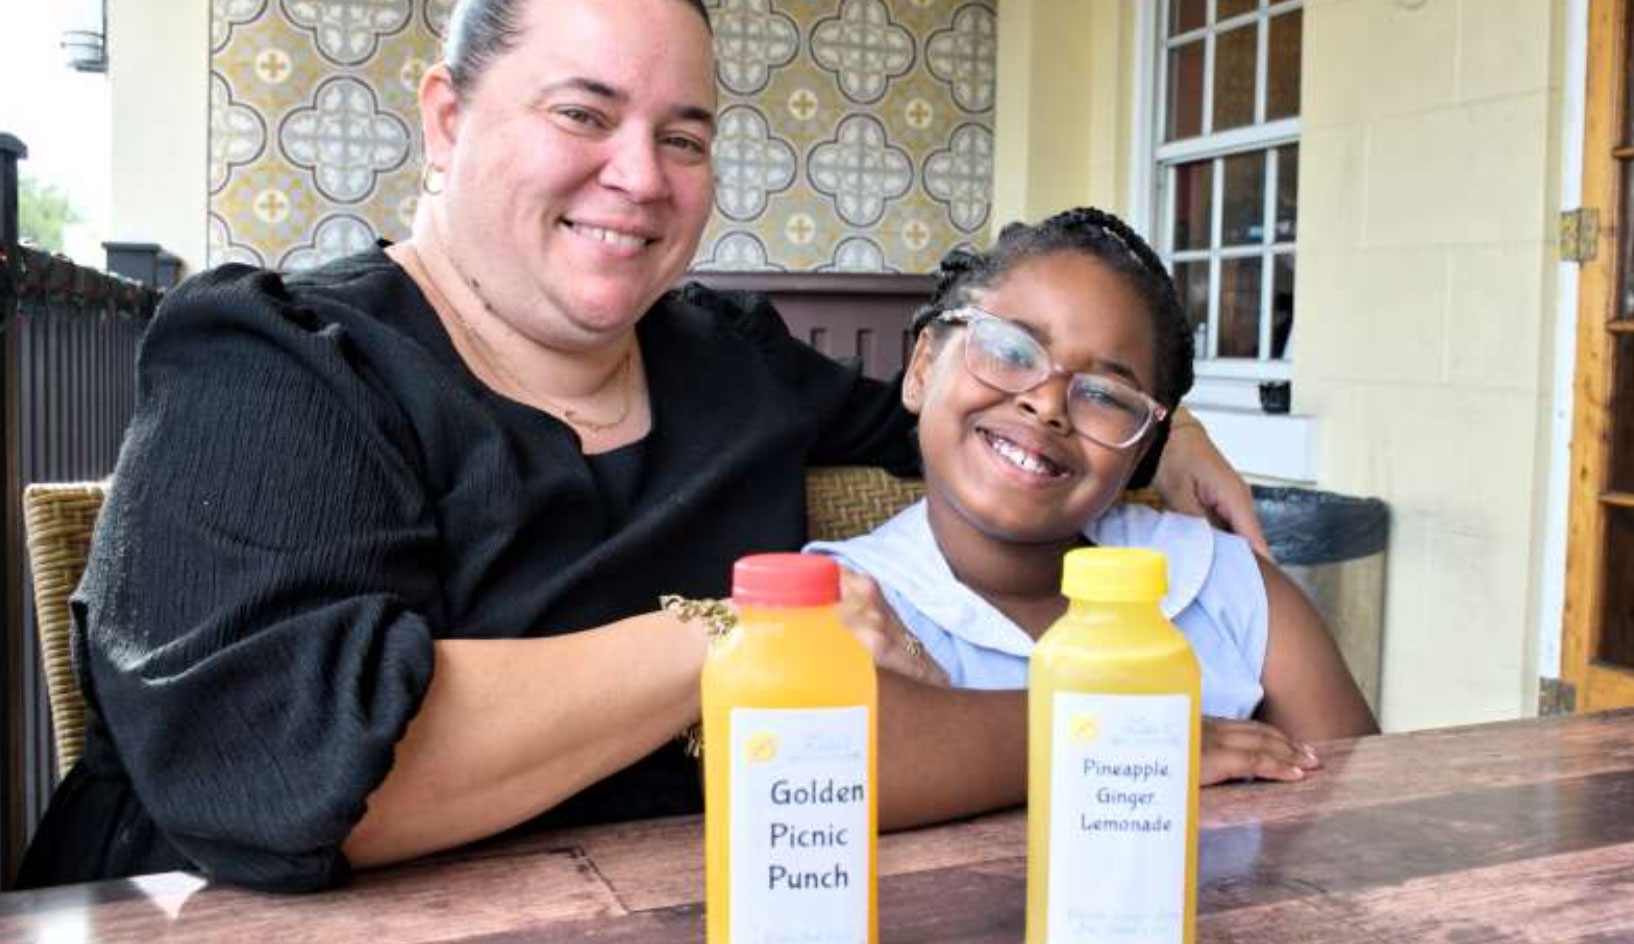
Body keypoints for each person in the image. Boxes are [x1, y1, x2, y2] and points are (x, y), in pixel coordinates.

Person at [18, 0, 1269, 892]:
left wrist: (1158, 424)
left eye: (682, 135)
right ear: (446, 118)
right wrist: (725, 633)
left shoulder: (728, 361)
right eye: (584, 112)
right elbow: (271, 765)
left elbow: (964, 417)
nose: (641, 175)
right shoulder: (277, 362)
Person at [810, 208, 1379, 785]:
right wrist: (1136, 741)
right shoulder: (846, 601)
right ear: (923, 368)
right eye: (1009, 351)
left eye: (1106, 395)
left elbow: (1363, 804)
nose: (1048, 404)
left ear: (1142, 451)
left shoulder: (1220, 582)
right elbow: (826, 769)